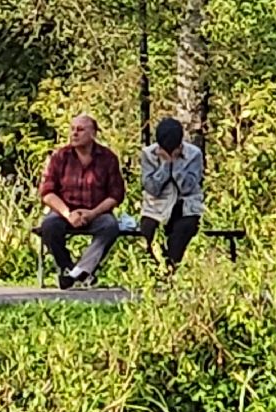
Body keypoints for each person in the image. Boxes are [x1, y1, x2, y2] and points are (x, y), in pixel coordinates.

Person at [38, 114, 126, 289]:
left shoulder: (108, 158)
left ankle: (82, 270)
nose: (74, 134)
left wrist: (93, 213)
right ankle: (67, 269)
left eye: (80, 130)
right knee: (49, 226)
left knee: (110, 226)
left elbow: (116, 195)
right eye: (72, 129)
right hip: (65, 211)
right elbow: (47, 192)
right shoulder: (60, 157)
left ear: (92, 133)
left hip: (96, 212)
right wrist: (67, 214)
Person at [140, 117, 204, 270]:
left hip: (185, 206)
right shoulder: (148, 154)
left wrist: (176, 165)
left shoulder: (194, 154)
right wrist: (165, 165)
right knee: (148, 231)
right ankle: (156, 270)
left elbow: (188, 187)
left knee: (183, 230)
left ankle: (170, 269)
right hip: (156, 207)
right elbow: (152, 188)